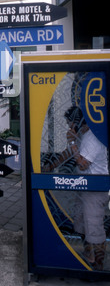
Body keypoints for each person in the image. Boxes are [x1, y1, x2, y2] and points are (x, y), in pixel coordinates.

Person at [43, 106, 109, 270]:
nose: (68, 126)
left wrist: (72, 141)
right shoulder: (82, 134)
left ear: (78, 122)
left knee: (94, 228)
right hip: (84, 187)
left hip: (95, 189)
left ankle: (98, 268)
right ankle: (89, 256)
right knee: (80, 224)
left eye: (69, 123)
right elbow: (69, 154)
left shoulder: (93, 138)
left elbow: (82, 163)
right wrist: (51, 166)